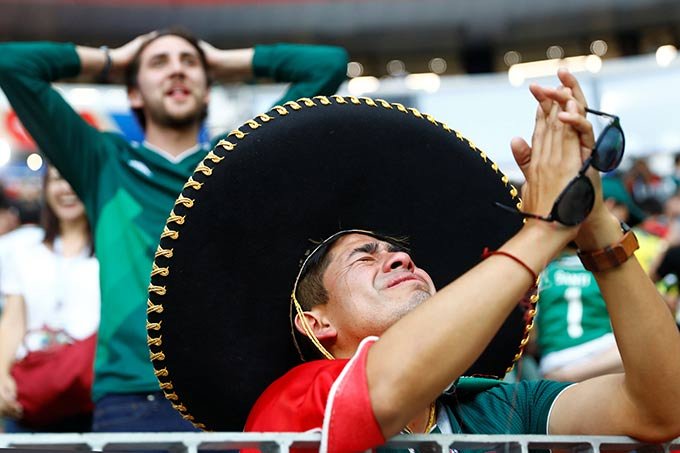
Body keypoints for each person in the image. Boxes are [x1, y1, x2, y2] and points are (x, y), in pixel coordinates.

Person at [146, 69, 680, 451]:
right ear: (316, 322)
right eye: (364, 256)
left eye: (401, 252)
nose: (399, 257)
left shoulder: (496, 406)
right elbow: (386, 387)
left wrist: (596, 227)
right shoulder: (293, 402)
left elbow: (660, 408)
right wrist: (544, 229)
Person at [0, 29, 348, 432]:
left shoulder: (236, 158)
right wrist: (113, 60)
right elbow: (12, 63)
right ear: (133, 92)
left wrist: (221, 60)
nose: (177, 71)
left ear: (207, 91)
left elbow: (328, 66)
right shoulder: (103, 163)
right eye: (159, 63)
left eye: (188, 63)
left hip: (226, 392)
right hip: (129, 398)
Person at [0, 166, 98, 433]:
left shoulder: (109, 253)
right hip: (30, 401)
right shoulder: (23, 251)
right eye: (56, 180)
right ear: (45, 189)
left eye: (73, 179)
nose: (65, 189)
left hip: (91, 401)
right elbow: (12, 321)